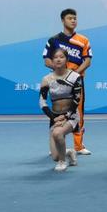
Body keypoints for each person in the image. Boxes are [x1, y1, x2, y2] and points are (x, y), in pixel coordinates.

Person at [43, 8, 92, 155]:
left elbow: (87, 61)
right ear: (63, 20)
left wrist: (73, 75)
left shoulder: (83, 40)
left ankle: (78, 146)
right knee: (57, 110)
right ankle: (56, 145)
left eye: (75, 18)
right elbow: (47, 60)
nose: (73, 20)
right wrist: (61, 72)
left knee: (78, 112)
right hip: (57, 82)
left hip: (76, 82)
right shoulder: (53, 40)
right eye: (70, 18)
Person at [39, 48, 82, 172]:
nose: (58, 59)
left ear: (67, 59)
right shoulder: (46, 79)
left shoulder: (75, 77)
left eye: (61, 57)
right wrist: (53, 118)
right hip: (55, 117)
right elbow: (42, 102)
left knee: (58, 133)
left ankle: (62, 162)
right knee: (55, 156)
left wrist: (65, 116)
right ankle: (69, 152)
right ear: (52, 61)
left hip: (71, 116)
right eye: (55, 57)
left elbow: (76, 99)